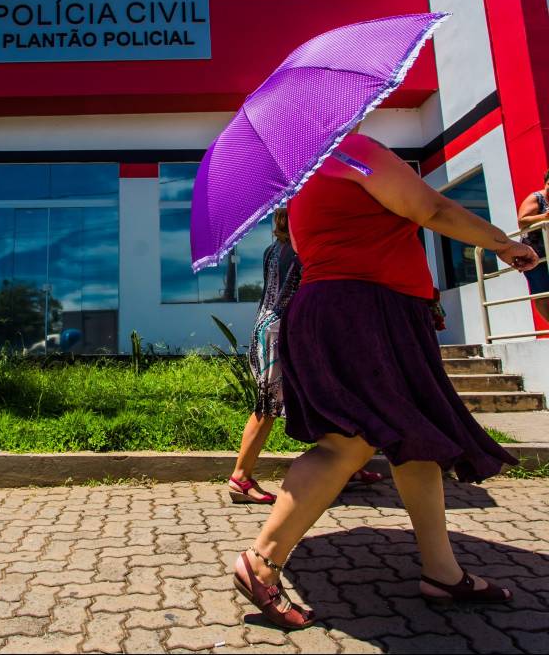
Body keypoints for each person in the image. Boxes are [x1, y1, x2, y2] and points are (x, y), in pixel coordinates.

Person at [232, 133, 538, 630]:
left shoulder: (305, 177)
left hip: (338, 308)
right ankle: (261, 561)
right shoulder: (352, 152)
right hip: (366, 311)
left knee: (415, 439)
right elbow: (431, 209)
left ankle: (442, 571)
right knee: (346, 444)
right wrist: (504, 244)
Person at [228, 209, 382, 505]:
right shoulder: (304, 249)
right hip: (281, 330)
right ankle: (241, 477)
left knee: (328, 396)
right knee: (269, 405)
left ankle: (345, 466)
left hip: (269, 326)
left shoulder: (272, 250)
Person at [518, 168, 549, 323]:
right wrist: (544, 216)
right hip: (534, 254)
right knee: (542, 292)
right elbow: (521, 220)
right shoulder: (536, 198)